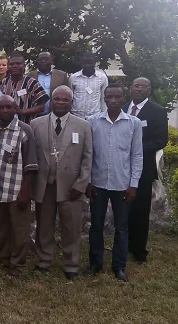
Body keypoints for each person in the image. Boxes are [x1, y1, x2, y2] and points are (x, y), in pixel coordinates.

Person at [31, 86, 92, 280]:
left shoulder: (83, 126)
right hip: (45, 184)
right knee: (44, 225)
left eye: (65, 100)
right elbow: (31, 156)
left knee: (71, 227)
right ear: (51, 100)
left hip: (70, 187)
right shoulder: (36, 124)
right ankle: (44, 260)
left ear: (71, 103)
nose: (60, 102)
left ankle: (71, 264)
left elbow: (87, 157)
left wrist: (81, 185)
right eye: (57, 99)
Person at [86, 83, 143, 282]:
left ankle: (119, 266)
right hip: (98, 183)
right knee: (96, 225)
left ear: (123, 98)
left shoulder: (133, 123)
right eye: (109, 97)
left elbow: (137, 155)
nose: (113, 100)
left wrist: (133, 184)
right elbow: (88, 154)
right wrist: (89, 181)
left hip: (122, 184)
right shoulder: (92, 121)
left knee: (121, 227)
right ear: (104, 98)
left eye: (117, 97)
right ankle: (95, 263)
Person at [0, 95, 38, 277]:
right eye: (1, 107)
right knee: (1, 227)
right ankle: (3, 257)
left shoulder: (24, 130)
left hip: (17, 189)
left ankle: (18, 263)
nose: (4, 111)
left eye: (8, 107)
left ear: (15, 108)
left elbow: (31, 164)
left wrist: (25, 191)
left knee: (19, 228)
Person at [123, 77, 168, 265]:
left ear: (149, 90)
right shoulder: (122, 106)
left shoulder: (157, 111)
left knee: (140, 211)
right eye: (136, 86)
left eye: (143, 86)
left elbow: (161, 139)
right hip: (122, 168)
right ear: (130, 89)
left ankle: (139, 251)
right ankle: (123, 246)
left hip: (143, 168)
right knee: (123, 209)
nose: (139, 89)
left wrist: (137, 149)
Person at [1, 53, 49, 123]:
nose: (15, 66)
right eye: (12, 64)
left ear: (24, 65)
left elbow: (41, 106)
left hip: (26, 124)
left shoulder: (32, 83)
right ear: (8, 66)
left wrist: (23, 111)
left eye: (18, 64)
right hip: (6, 124)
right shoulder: (3, 82)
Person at [69, 51, 108, 119]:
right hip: (76, 117)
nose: (88, 65)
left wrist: (104, 116)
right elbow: (70, 98)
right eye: (85, 63)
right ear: (81, 63)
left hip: (95, 117)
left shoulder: (102, 78)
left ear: (95, 63)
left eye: (90, 63)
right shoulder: (73, 78)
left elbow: (103, 99)